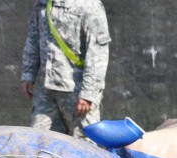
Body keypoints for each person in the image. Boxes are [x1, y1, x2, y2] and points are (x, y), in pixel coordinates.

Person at [20, 0, 110, 140]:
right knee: (39, 143)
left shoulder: (88, 4)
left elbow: (98, 51)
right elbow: (33, 38)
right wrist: (28, 73)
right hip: (46, 91)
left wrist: (88, 93)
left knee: (83, 144)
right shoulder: (42, 3)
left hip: (77, 92)